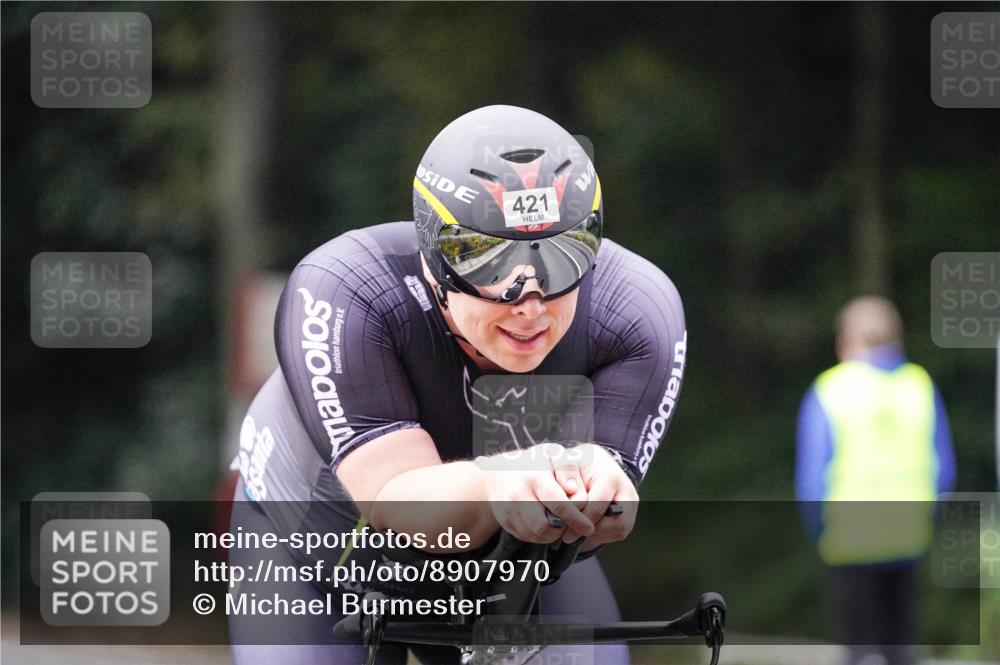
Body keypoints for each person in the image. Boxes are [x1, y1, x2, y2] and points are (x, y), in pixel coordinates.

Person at [229, 105, 687, 665]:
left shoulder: (637, 311)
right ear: (435, 257)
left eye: (564, 255)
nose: (531, 303)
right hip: (319, 536)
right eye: (492, 264)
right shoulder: (346, 289)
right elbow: (397, 502)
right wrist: (512, 476)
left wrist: (598, 499)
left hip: (509, 552)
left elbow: (593, 513)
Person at [795, 296, 956, 665]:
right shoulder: (920, 386)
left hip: (848, 543)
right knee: (903, 649)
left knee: (860, 652)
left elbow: (810, 485)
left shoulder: (829, 389)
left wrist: (820, 533)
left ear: (847, 340)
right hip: (908, 540)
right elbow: (944, 473)